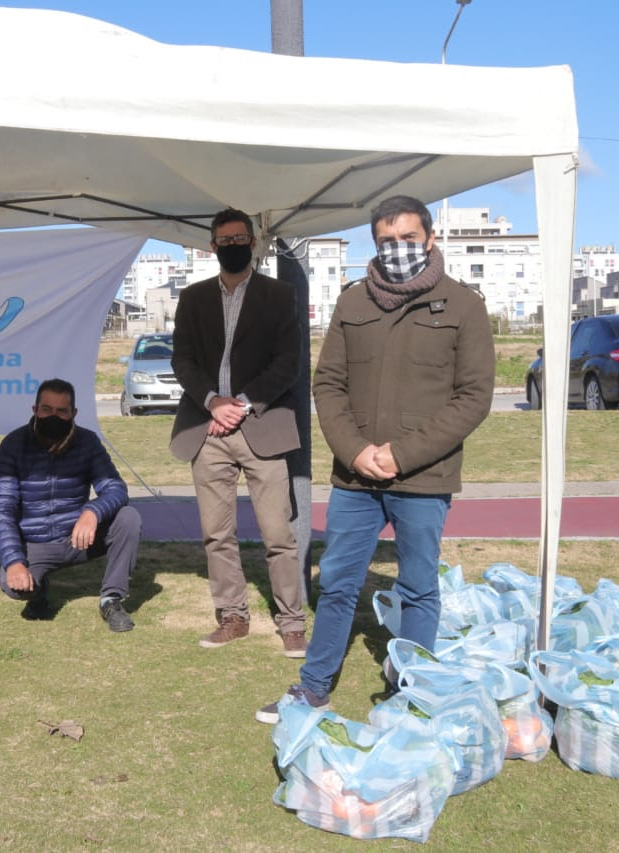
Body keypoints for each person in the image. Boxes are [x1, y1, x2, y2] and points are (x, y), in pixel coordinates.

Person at [257, 194, 495, 722]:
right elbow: (329, 384)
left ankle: (411, 693)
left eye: (408, 239)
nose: (398, 249)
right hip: (355, 480)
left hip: (425, 478)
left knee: (418, 588)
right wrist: (356, 451)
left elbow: (474, 396)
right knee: (337, 584)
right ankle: (313, 686)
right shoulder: (352, 302)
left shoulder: (463, 305)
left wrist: (401, 454)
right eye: (387, 241)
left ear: (429, 239)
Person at [169, 208, 306, 656]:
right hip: (208, 428)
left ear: (253, 241)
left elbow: (288, 362)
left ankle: (291, 623)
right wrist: (213, 402)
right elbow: (182, 360)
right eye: (224, 241)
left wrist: (242, 404)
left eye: (240, 238)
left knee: (277, 535)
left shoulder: (278, 295)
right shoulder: (192, 298)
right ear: (212, 247)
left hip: (261, 426)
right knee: (216, 534)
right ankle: (232, 617)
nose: (232, 246)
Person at [0, 379, 140, 632]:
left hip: (77, 538)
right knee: (12, 586)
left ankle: (111, 599)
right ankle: (38, 593)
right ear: (35, 410)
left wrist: (92, 512)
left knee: (128, 518)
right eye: (47, 409)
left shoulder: (88, 442)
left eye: (62, 411)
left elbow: (115, 488)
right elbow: (2, 509)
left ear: (74, 414)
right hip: (35, 543)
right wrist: (14, 561)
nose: (54, 416)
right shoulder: (13, 445)